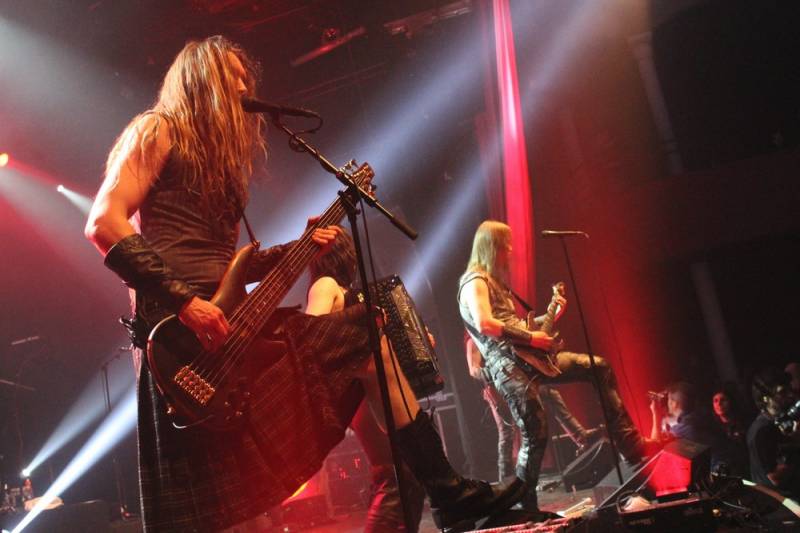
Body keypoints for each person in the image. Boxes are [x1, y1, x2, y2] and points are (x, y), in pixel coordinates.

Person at [85, 37, 521, 532]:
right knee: (211, 517)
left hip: (228, 333)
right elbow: (103, 222)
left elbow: (228, 267)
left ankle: (446, 489)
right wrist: (185, 302)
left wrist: (301, 247)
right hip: (179, 341)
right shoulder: (156, 129)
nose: (245, 87)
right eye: (233, 77)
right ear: (202, 78)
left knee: (364, 336)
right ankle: (448, 491)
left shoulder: (221, 167)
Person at [458, 220, 648, 512]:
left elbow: (515, 325)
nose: (511, 251)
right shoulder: (475, 281)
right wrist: (532, 337)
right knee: (535, 431)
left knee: (598, 367)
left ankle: (632, 449)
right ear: (491, 247)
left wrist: (551, 313)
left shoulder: (497, 283)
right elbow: (485, 324)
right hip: (507, 366)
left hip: (528, 359)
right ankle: (524, 505)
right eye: (506, 245)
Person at [305, 228, 426, 532]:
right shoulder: (325, 284)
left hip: (366, 392)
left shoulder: (341, 289)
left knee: (406, 475)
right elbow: (311, 336)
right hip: (360, 395)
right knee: (397, 475)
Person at [465, 336, 600, 483]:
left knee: (550, 394)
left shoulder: (495, 334)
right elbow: (474, 370)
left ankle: (581, 437)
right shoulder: (473, 339)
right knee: (506, 431)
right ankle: (505, 479)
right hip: (498, 388)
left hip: (519, 380)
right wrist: (497, 371)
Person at [747, 367, 800, 498]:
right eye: (782, 392)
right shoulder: (763, 430)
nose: (790, 395)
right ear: (765, 398)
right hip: (786, 504)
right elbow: (775, 478)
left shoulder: (780, 421)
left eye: (789, 390)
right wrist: (796, 443)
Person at [709, 383, 751, 477]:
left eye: (723, 400)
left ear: (731, 401)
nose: (719, 404)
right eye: (715, 401)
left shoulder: (743, 423)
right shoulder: (712, 428)